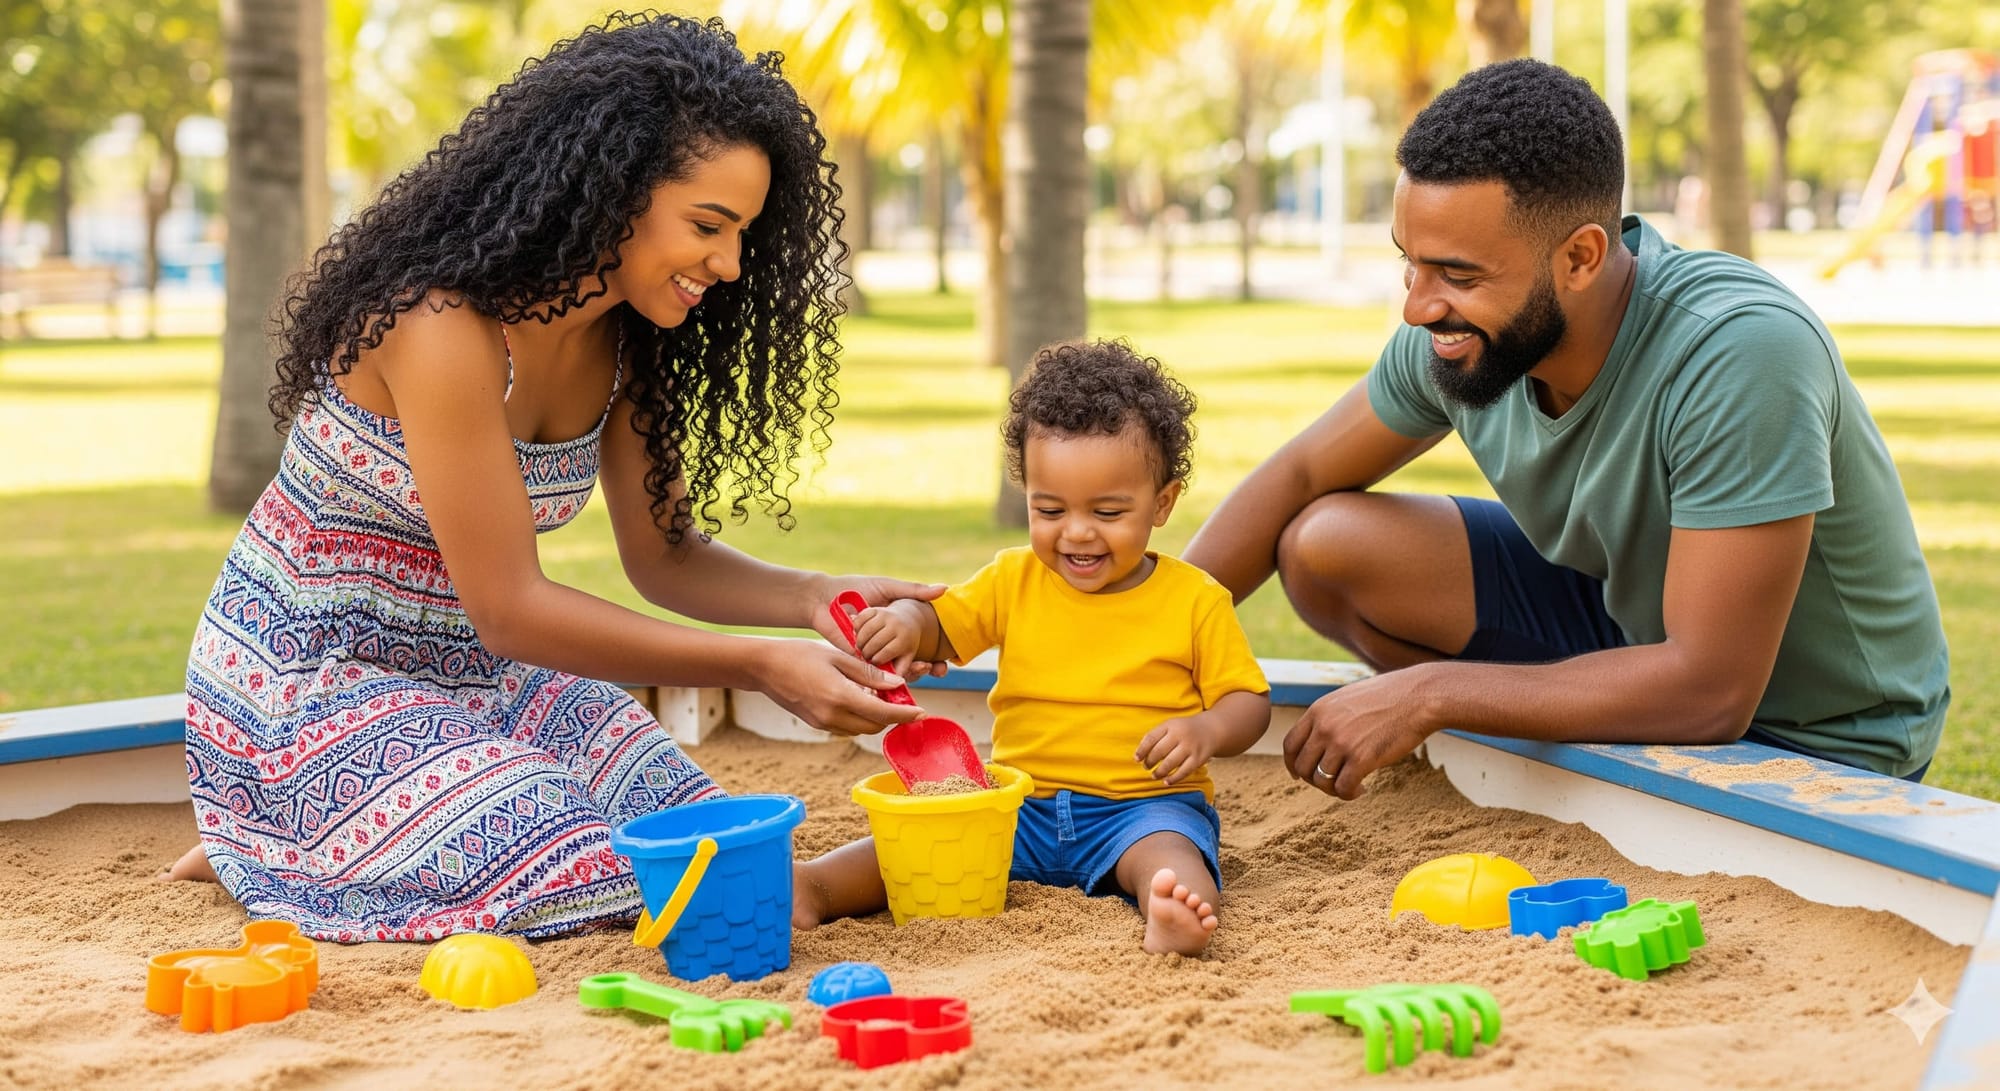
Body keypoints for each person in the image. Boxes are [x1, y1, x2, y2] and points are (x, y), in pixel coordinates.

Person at [167, 14, 945, 941]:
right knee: (572, 854)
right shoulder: (436, 324)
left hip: (476, 679)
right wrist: (757, 663)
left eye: (743, 233)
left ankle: (301, 836)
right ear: (610, 189)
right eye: (707, 225)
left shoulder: (625, 341)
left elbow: (665, 557)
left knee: (689, 821)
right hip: (307, 685)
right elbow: (510, 605)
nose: (731, 264)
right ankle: (280, 821)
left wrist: (818, 597)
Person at [1184, 59, 1948, 802]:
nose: (1417, 307)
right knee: (1324, 545)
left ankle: (1555, 729)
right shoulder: (1462, 334)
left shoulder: (1742, 352)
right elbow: (1300, 476)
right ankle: (1558, 739)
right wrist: (1147, 647)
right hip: (1632, 629)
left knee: (1651, 695)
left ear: (1580, 257)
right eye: (1408, 264)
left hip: (1810, 726)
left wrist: (1430, 692)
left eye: (1457, 274)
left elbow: (1713, 692)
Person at [793, 340, 1272, 956]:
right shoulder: (1013, 579)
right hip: (1016, 805)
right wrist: (909, 623)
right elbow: (945, 622)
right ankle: (818, 889)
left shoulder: (1195, 599)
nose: (1076, 531)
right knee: (917, 841)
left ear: (1162, 503)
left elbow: (1248, 702)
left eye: (1106, 511)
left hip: (1139, 808)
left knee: (1169, 855)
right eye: (1049, 509)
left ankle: (1171, 913)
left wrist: (1205, 730)